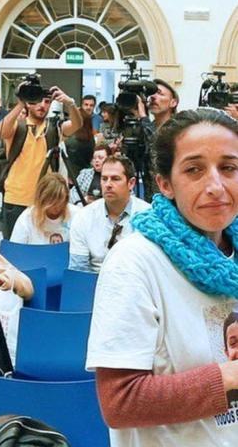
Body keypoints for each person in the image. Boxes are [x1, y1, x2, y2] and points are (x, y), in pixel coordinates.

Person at [87, 109, 238, 445]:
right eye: (194, 170)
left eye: (228, 168)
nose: (216, 186)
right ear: (165, 184)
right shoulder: (134, 263)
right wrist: (229, 377)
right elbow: (120, 403)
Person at [0, 82, 82, 239]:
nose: (42, 105)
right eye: (37, 101)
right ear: (29, 103)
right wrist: (21, 101)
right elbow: (1, 132)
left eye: (47, 101)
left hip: (46, 200)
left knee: (44, 245)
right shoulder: (18, 126)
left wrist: (69, 103)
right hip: (16, 198)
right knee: (14, 247)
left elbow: (77, 125)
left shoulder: (54, 128)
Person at [68, 154, 150, 273]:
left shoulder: (148, 216)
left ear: (131, 183)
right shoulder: (83, 217)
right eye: (104, 179)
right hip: (94, 280)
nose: (108, 184)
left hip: (136, 279)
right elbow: (79, 271)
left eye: (115, 179)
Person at [11, 172, 80, 244]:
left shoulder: (76, 215)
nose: (57, 206)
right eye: (52, 202)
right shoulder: (27, 218)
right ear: (42, 200)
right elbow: (15, 248)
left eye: (60, 200)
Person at [64, 95, 96, 180]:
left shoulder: (70, 141)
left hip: (71, 177)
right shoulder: (91, 139)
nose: (88, 108)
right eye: (86, 104)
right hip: (85, 177)